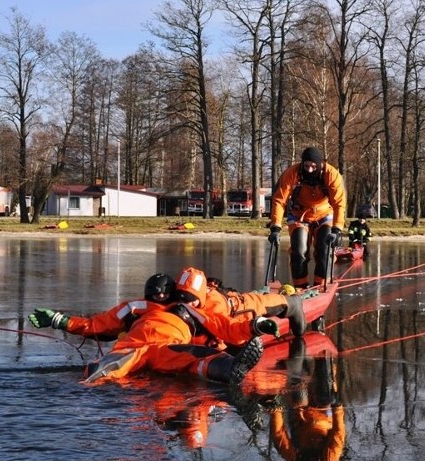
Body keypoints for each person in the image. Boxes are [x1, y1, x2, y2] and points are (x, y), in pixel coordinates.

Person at [28, 270, 275, 384]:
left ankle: (231, 368)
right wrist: (255, 326)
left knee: (110, 368)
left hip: (135, 348)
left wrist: (59, 320)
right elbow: (226, 327)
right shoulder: (189, 311)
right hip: (165, 349)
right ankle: (231, 368)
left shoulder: (136, 307)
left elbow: (97, 324)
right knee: (201, 358)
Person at [268, 147, 347, 288]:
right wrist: (275, 227)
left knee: (324, 249)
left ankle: (320, 285)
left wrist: (336, 229)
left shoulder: (332, 174)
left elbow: (339, 203)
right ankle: (300, 287)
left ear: (320, 164)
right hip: (299, 215)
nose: (310, 170)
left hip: (324, 215)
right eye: (306, 166)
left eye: (313, 166)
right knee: (298, 252)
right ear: (302, 163)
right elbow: (279, 200)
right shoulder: (292, 173)